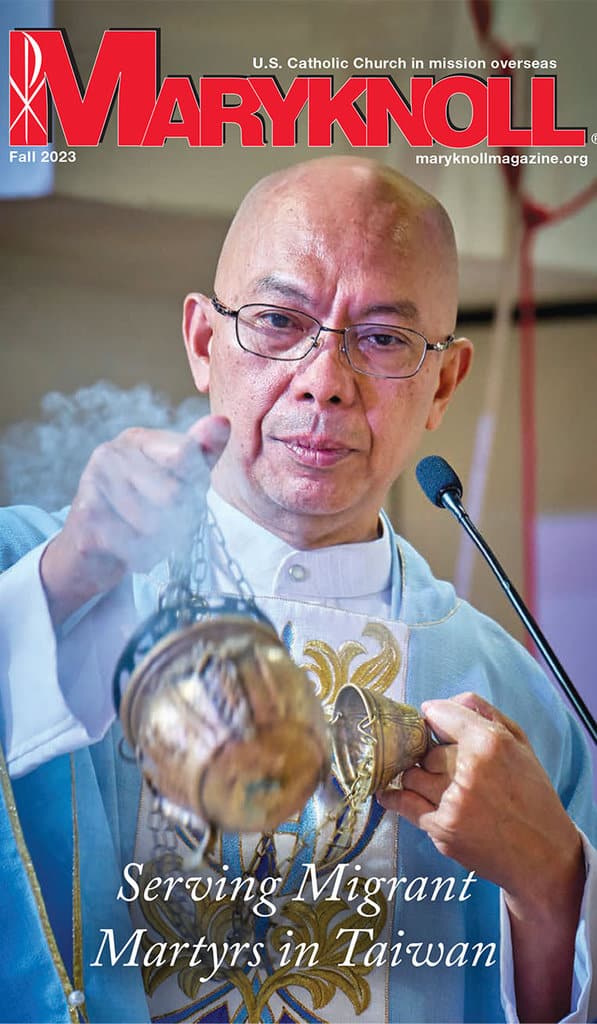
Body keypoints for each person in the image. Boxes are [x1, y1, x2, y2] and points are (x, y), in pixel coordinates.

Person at [0, 156, 594, 1024]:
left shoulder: (517, 702)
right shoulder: (45, 573)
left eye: (385, 339)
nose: (325, 381)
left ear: (445, 383)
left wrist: (552, 888)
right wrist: (73, 572)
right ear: (204, 343)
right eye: (279, 321)